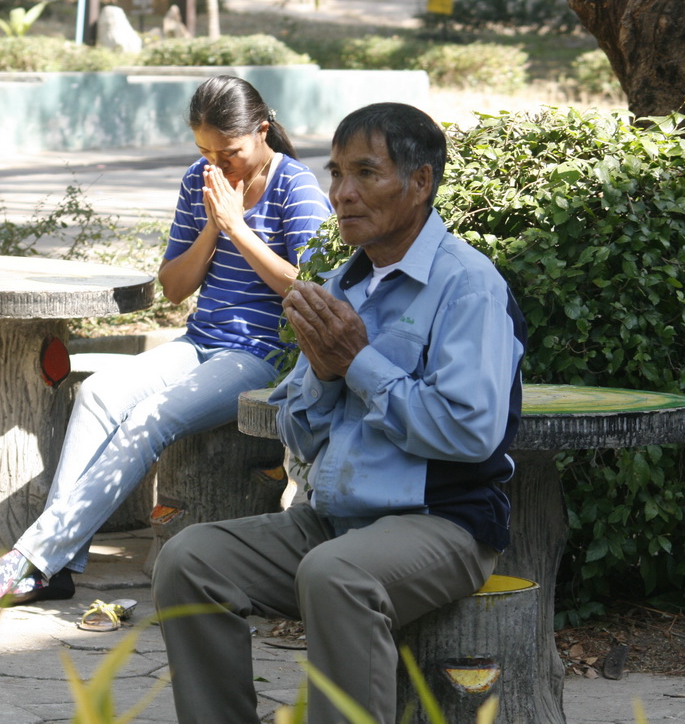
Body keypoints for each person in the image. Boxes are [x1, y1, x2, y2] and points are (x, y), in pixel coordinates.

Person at [152, 102, 525, 724]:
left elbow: (470, 432)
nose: (343, 193)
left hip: (442, 523)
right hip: (334, 521)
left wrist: (358, 363)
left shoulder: (468, 285)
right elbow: (298, 436)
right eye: (336, 173)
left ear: (421, 182)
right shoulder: (340, 286)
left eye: (366, 174)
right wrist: (325, 377)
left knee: (335, 575)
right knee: (189, 560)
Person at [0, 75, 332, 606]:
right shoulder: (200, 181)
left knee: (149, 419)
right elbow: (175, 288)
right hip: (199, 341)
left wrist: (238, 227)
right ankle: (57, 565)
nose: (217, 165)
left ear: (262, 132)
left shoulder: (295, 186)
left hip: (261, 354)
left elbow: (309, 290)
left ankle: (34, 561)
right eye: (204, 152)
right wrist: (212, 227)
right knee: (99, 393)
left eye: (229, 153)